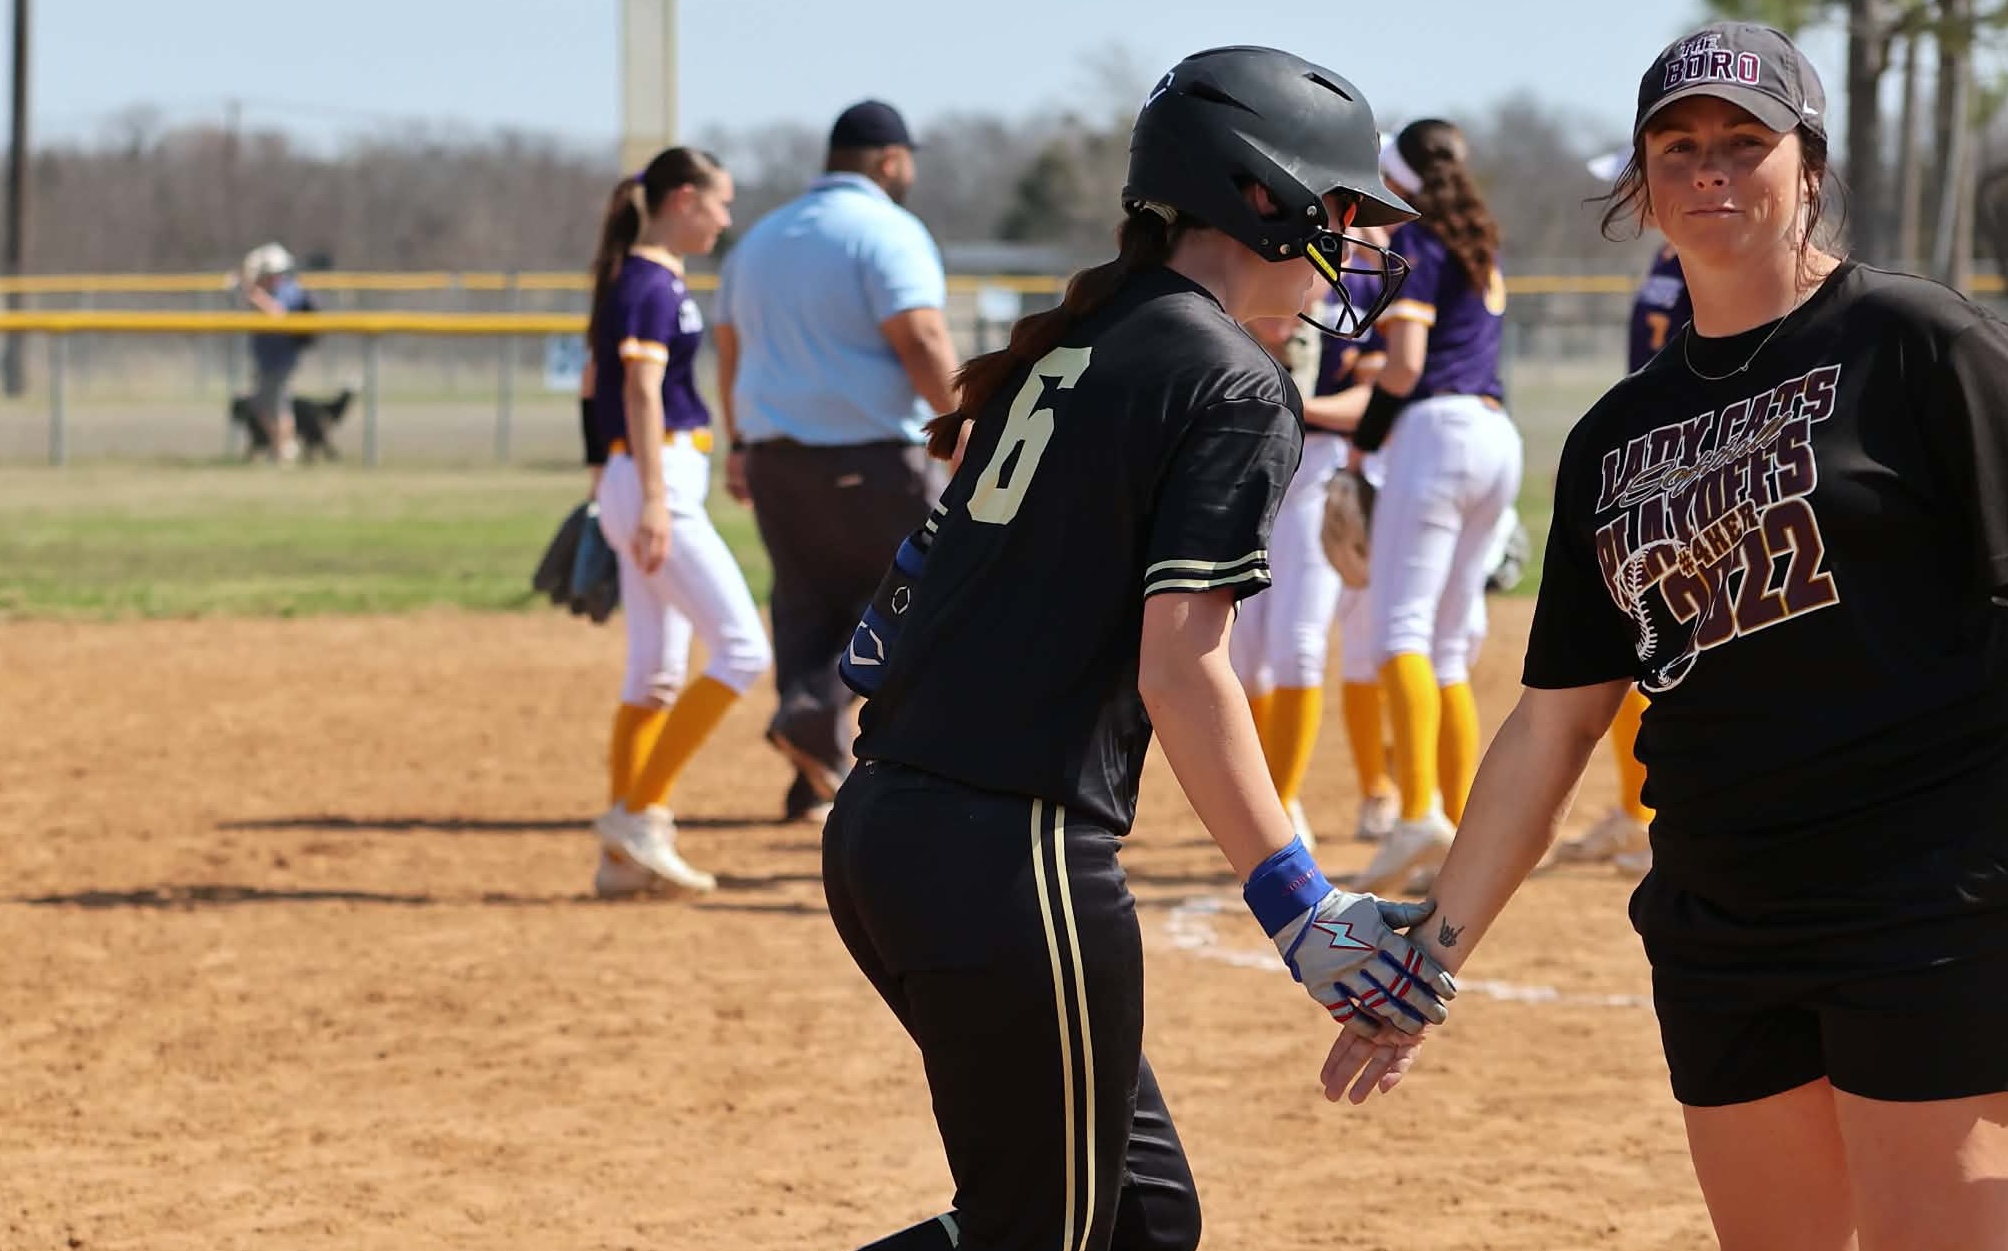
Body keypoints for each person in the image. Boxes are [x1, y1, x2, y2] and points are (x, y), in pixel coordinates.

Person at [1328, 23, 2008, 1249]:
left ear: (1808, 165)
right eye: (1677, 145)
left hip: (1930, 906)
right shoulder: (1612, 436)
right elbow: (1556, 722)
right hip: (1722, 920)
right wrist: (1430, 956)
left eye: (1745, 143)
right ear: (1640, 182)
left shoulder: (1915, 344)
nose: (1711, 170)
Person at [821, 47, 1454, 1251]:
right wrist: (1299, 908)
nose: (1351, 239)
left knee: (1142, 1224)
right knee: (1037, 1234)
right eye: (1337, 206)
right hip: (1010, 847)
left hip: (898, 825)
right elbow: (1181, 668)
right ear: (1259, 194)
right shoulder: (1230, 377)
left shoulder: (1079, 337)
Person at [712, 99, 959, 823]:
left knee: (806, 604)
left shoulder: (759, 238)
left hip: (773, 456)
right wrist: (967, 425)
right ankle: (828, 732)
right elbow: (919, 338)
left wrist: (737, 442)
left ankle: (810, 774)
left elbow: (729, 350)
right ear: (888, 160)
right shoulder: (886, 230)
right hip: (872, 454)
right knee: (912, 597)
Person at [585, 148, 774, 899]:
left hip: (643, 473)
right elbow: (634, 383)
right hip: (658, 476)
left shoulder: (644, 277)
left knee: (656, 673)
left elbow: (598, 381)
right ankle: (638, 815)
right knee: (742, 648)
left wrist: (606, 471)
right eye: (720, 204)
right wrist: (652, 497)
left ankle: (624, 857)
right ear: (685, 199)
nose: (726, 218)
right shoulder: (648, 279)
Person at [1347, 120, 1523, 893]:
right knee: (1449, 645)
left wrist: (1364, 442)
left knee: (1402, 633)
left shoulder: (1414, 244)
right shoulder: (1480, 240)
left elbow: (1406, 365)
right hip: (1495, 435)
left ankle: (1418, 811)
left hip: (1436, 432)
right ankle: (1458, 826)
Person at [1548, 167, 1691, 876]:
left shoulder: (1705, 262)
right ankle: (1637, 811)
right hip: (1649, 460)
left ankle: (1656, 815)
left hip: (1684, 465)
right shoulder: (1669, 259)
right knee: (1637, 648)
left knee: (1670, 648)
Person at [237, 242, 315, 463]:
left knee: (278, 403)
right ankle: (280, 446)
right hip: (264, 357)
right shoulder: (264, 290)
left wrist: (254, 294)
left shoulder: (289, 289)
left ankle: (284, 450)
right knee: (263, 404)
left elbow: (277, 313)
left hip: (281, 358)